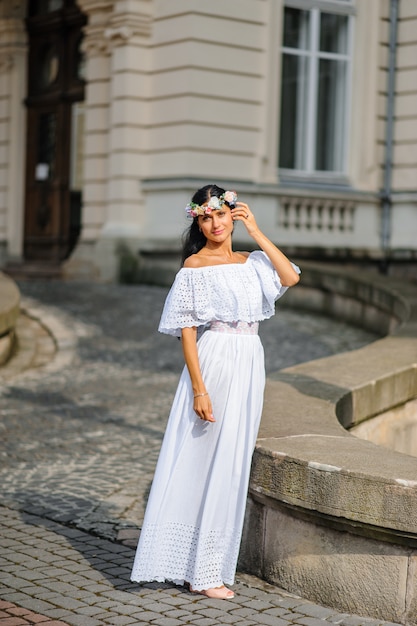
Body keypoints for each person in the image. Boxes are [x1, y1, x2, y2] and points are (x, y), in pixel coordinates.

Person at [131, 184, 300, 599]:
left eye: (221, 214)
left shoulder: (252, 261)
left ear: (233, 214)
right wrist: (199, 390)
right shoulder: (194, 266)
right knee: (204, 458)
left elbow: (290, 276)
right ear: (198, 222)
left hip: (250, 358)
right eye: (206, 217)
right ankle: (198, 570)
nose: (215, 223)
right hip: (217, 358)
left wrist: (256, 230)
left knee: (233, 459)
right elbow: (188, 333)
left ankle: (204, 567)